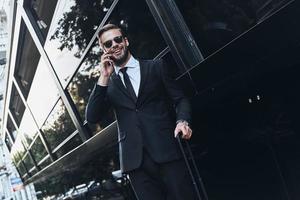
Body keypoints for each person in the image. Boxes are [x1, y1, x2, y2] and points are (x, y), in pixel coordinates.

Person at [86, 24, 196, 200]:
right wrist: (104, 77)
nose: (114, 44)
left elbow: (180, 99)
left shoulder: (155, 67)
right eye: (108, 43)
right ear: (104, 50)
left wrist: (182, 121)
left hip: (167, 151)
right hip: (135, 164)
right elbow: (92, 117)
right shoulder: (108, 84)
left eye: (118, 39)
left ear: (126, 41)